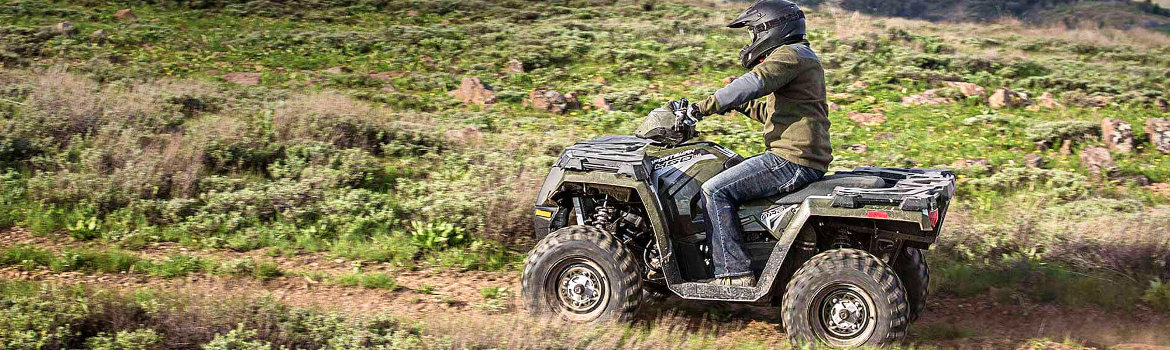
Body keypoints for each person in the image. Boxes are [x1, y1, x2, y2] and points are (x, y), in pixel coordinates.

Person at [670, 0, 832, 286]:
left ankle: (733, 275)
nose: (752, 40)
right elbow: (774, 113)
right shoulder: (801, 56)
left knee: (714, 190)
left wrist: (703, 107)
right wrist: (737, 106)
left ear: (772, 29)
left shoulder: (789, 55)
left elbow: (754, 83)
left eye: (754, 32)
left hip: (790, 160)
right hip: (800, 157)